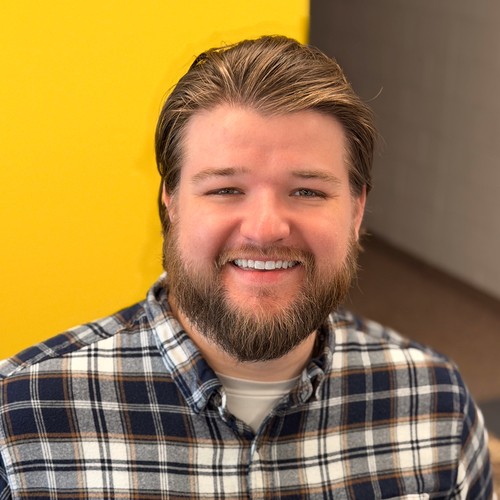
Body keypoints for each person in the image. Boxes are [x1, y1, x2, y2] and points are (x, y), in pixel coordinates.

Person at [0, 36, 494, 499]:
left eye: (307, 191)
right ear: (171, 203)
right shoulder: (19, 420)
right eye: (225, 189)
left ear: (357, 210)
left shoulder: (436, 404)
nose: (264, 229)